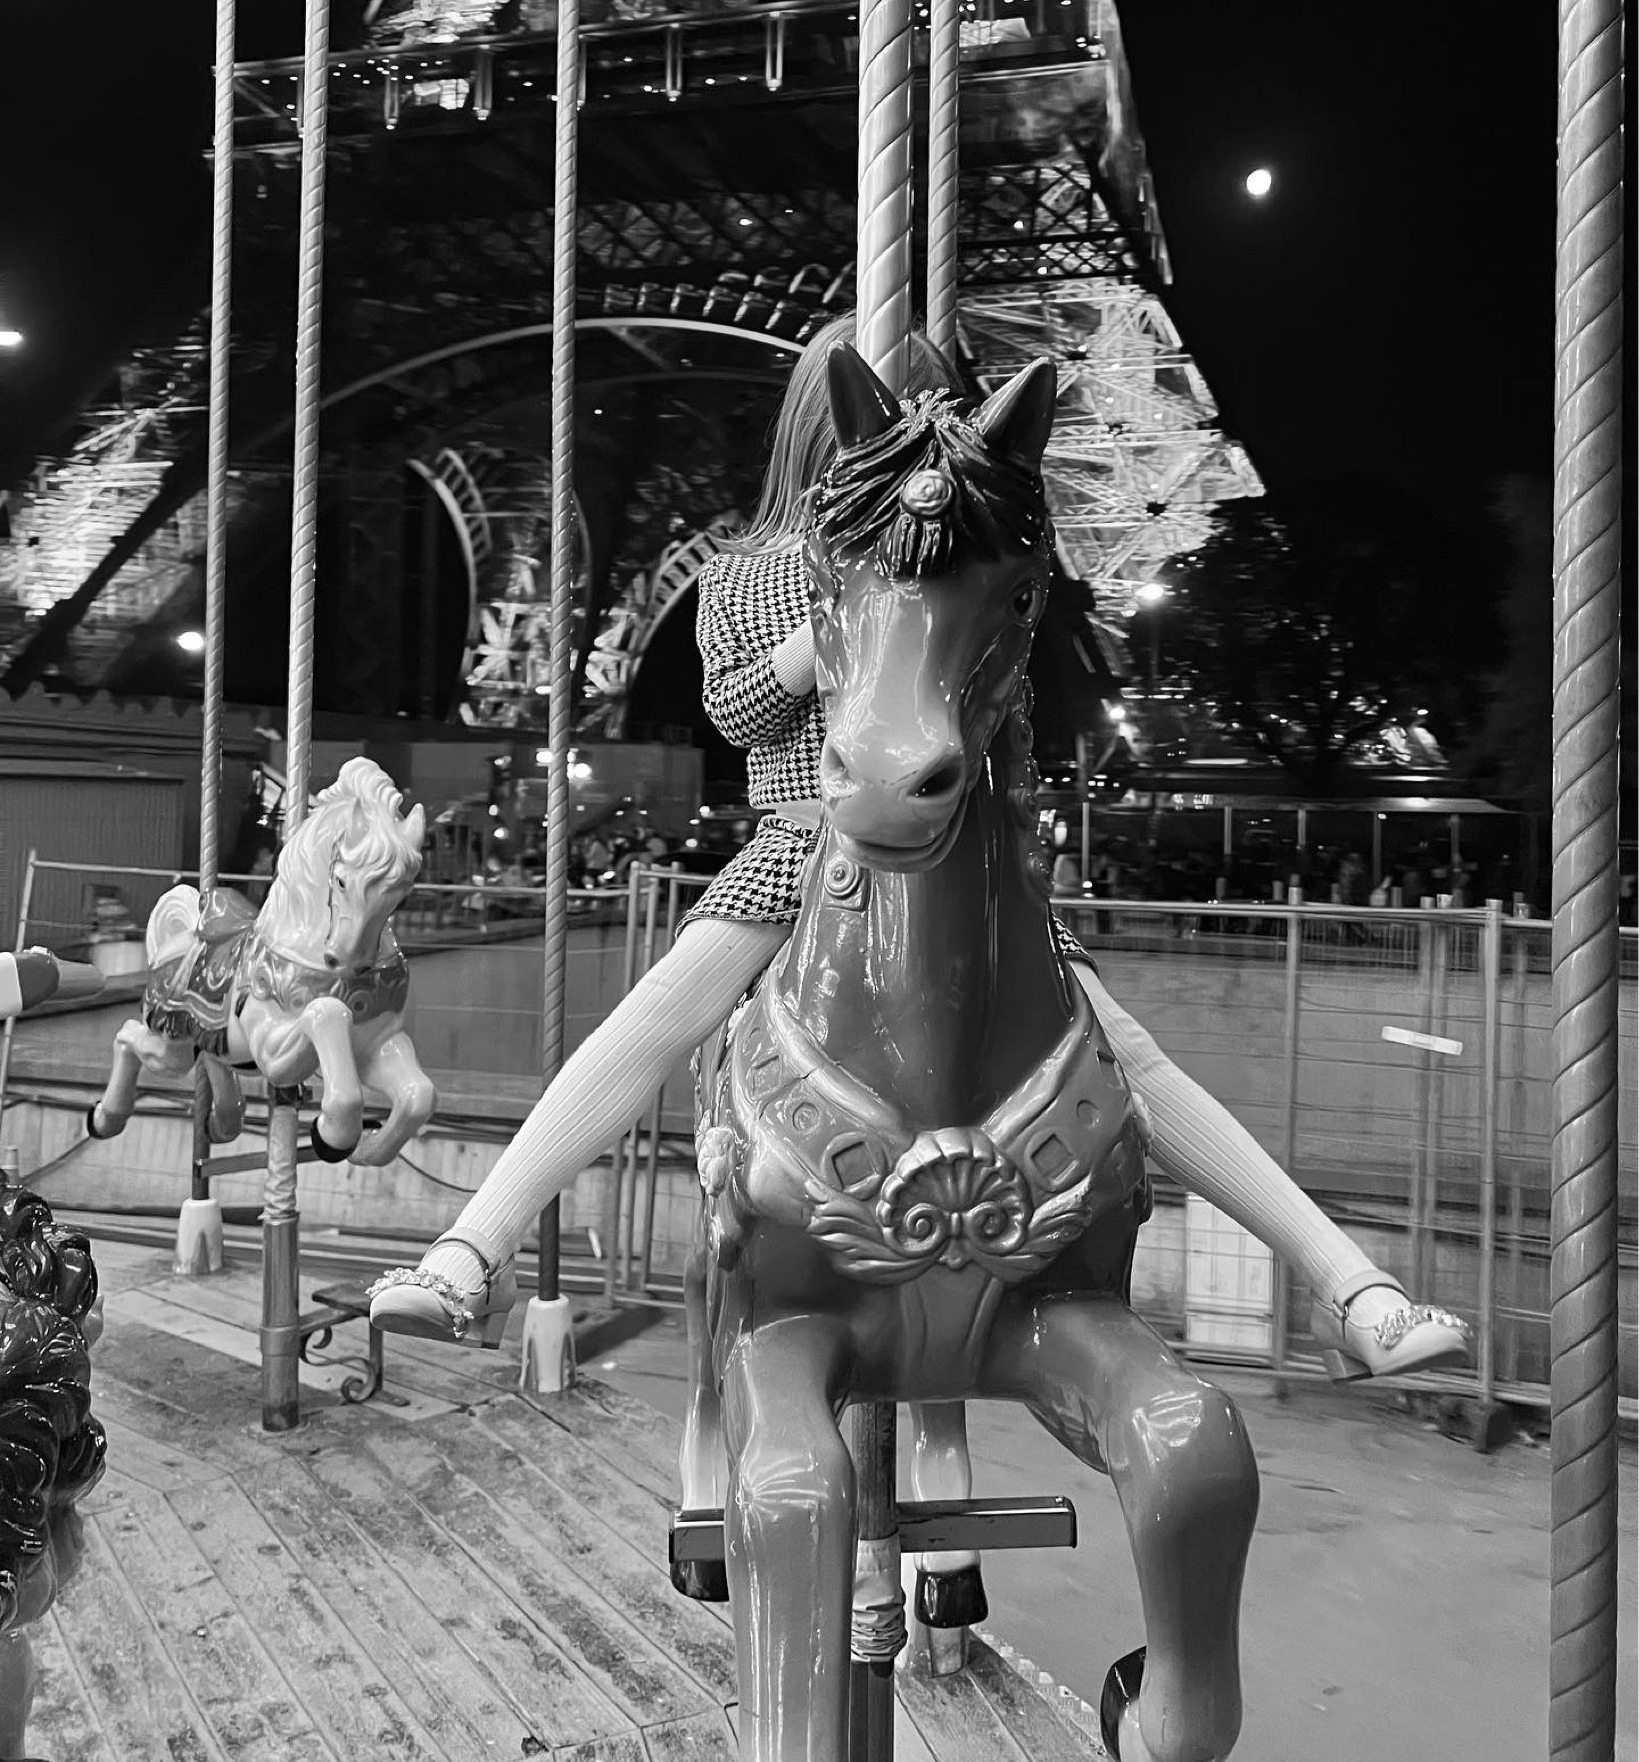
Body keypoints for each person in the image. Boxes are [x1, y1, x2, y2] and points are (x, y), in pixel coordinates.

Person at [370, 318, 1467, 1382]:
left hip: (955, 867)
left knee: (1128, 1056)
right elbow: (738, 712)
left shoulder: (952, 549)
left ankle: (1347, 1279)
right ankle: (474, 1246)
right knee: (651, 1020)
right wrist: (830, 622)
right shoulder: (747, 571)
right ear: (828, 418)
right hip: (802, 850)